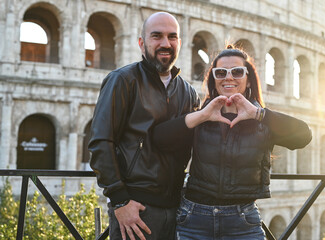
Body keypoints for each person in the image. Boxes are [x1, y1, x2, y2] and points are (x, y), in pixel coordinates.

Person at [152, 45, 312, 240]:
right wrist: (201, 116)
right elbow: (158, 139)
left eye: (237, 71)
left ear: (248, 78)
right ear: (214, 80)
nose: (228, 77)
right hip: (194, 219)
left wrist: (258, 114)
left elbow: (304, 136)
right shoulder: (201, 116)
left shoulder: (261, 119)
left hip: (243, 221)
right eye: (220, 72)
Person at [88, 12, 200, 240]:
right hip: (135, 209)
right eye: (156, 36)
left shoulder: (188, 92)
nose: (165, 44)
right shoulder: (122, 80)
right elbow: (101, 142)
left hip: (177, 209)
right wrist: (120, 201)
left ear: (179, 42)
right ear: (141, 43)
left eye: (172, 37)